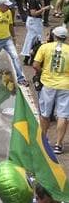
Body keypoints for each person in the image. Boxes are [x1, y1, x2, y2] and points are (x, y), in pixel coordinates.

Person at [33, 26, 69, 154]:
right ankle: (58, 144)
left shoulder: (45, 47)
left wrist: (43, 72)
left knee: (45, 114)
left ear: (54, 35)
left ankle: (43, 139)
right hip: (65, 85)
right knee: (63, 115)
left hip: (48, 84)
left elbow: (35, 65)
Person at [0, 0, 28, 86]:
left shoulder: (8, 12)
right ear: (1, 5)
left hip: (7, 39)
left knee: (15, 57)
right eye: (6, 5)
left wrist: (14, 37)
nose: (8, 7)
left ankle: (21, 78)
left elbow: (10, 25)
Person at [21, 0, 51, 65]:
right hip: (34, 22)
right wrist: (44, 9)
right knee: (34, 39)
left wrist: (42, 3)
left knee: (33, 39)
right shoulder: (32, 1)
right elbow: (33, 13)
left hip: (35, 22)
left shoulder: (35, 0)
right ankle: (30, 58)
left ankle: (30, 58)